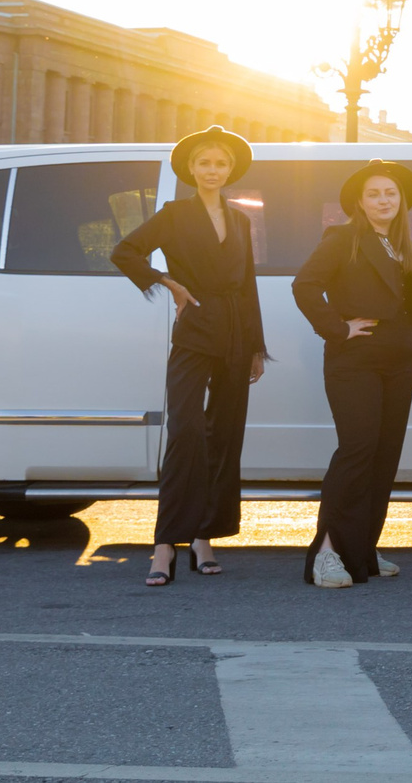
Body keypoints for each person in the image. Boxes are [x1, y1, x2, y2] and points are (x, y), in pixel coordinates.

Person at [110, 125, 268, 587]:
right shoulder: (174, 214)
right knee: (184, 431)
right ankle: (165, 544)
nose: (213, 170)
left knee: (223, 436)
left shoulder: (240, 220)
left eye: (220, 163)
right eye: (204, 163)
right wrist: (169, 282)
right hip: (196, 328)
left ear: (230, 169)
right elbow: (125, 252)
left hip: (237, 332)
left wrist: (256, 347)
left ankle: (204, 537)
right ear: (192, 169)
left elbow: (249, 285)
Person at [292, 161, 412, 589]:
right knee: (358, 451)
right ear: (360, 201)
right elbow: (305, 285)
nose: (384, 200)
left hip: (399, 364)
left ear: (400, 200)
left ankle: (362, 549)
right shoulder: (342, 238)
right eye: (374, 193)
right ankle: (328, 553)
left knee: (384, 457)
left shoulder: (407, 246)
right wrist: (338, 327)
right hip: (355, 361)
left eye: (390, 193)